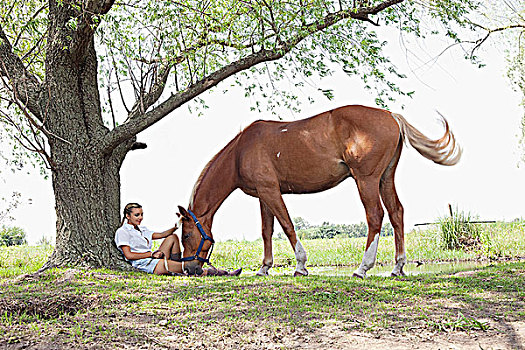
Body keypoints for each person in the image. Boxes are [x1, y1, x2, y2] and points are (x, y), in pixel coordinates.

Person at [115, 202, 241, 276]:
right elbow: (129, 255)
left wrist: (178, 224)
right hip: (144, 263)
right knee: (189, 267)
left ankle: (176, 268)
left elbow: (163, 234)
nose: (140, 217)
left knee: (172, 238)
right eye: (137, 215)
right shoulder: (123, 232)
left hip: (153, 258)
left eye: (141, 214)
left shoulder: (142, 230)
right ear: (127, 216)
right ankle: (222, 273)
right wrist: (151, 254)